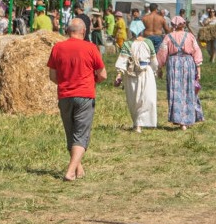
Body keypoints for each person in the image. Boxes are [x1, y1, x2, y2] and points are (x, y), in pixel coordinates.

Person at [46, 18, 107, 180]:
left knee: (71, 132)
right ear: (84, 31)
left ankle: (78, 168)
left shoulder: (58, 48)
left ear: (67, 31)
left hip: (64, 95)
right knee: (81, 134)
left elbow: (52, 75)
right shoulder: (91, 48)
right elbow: (102, 75)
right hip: (85, 95)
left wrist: (67, 83)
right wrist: (91, 81)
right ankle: (70, 171)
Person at [156, 15, 205, 129]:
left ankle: (179, 119)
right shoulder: (190, 36)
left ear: (173, 25)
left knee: (176, 90)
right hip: (188, 63)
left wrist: (160, 68)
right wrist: (198, 70)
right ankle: (186, 120)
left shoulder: (168, 37)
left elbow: (162, 53)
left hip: (174, 63)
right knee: (188, 90)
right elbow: (197, 51)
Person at [113, 22, 157, 131]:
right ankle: (138, 123)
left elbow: (122, 61)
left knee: (138, 99)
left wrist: (119, 74)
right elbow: (154, 61)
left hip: (138, 73)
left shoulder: (131, 43)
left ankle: (138, 123)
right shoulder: (145, 43)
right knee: (143, 98)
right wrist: (155, 71)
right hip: (140, 73)